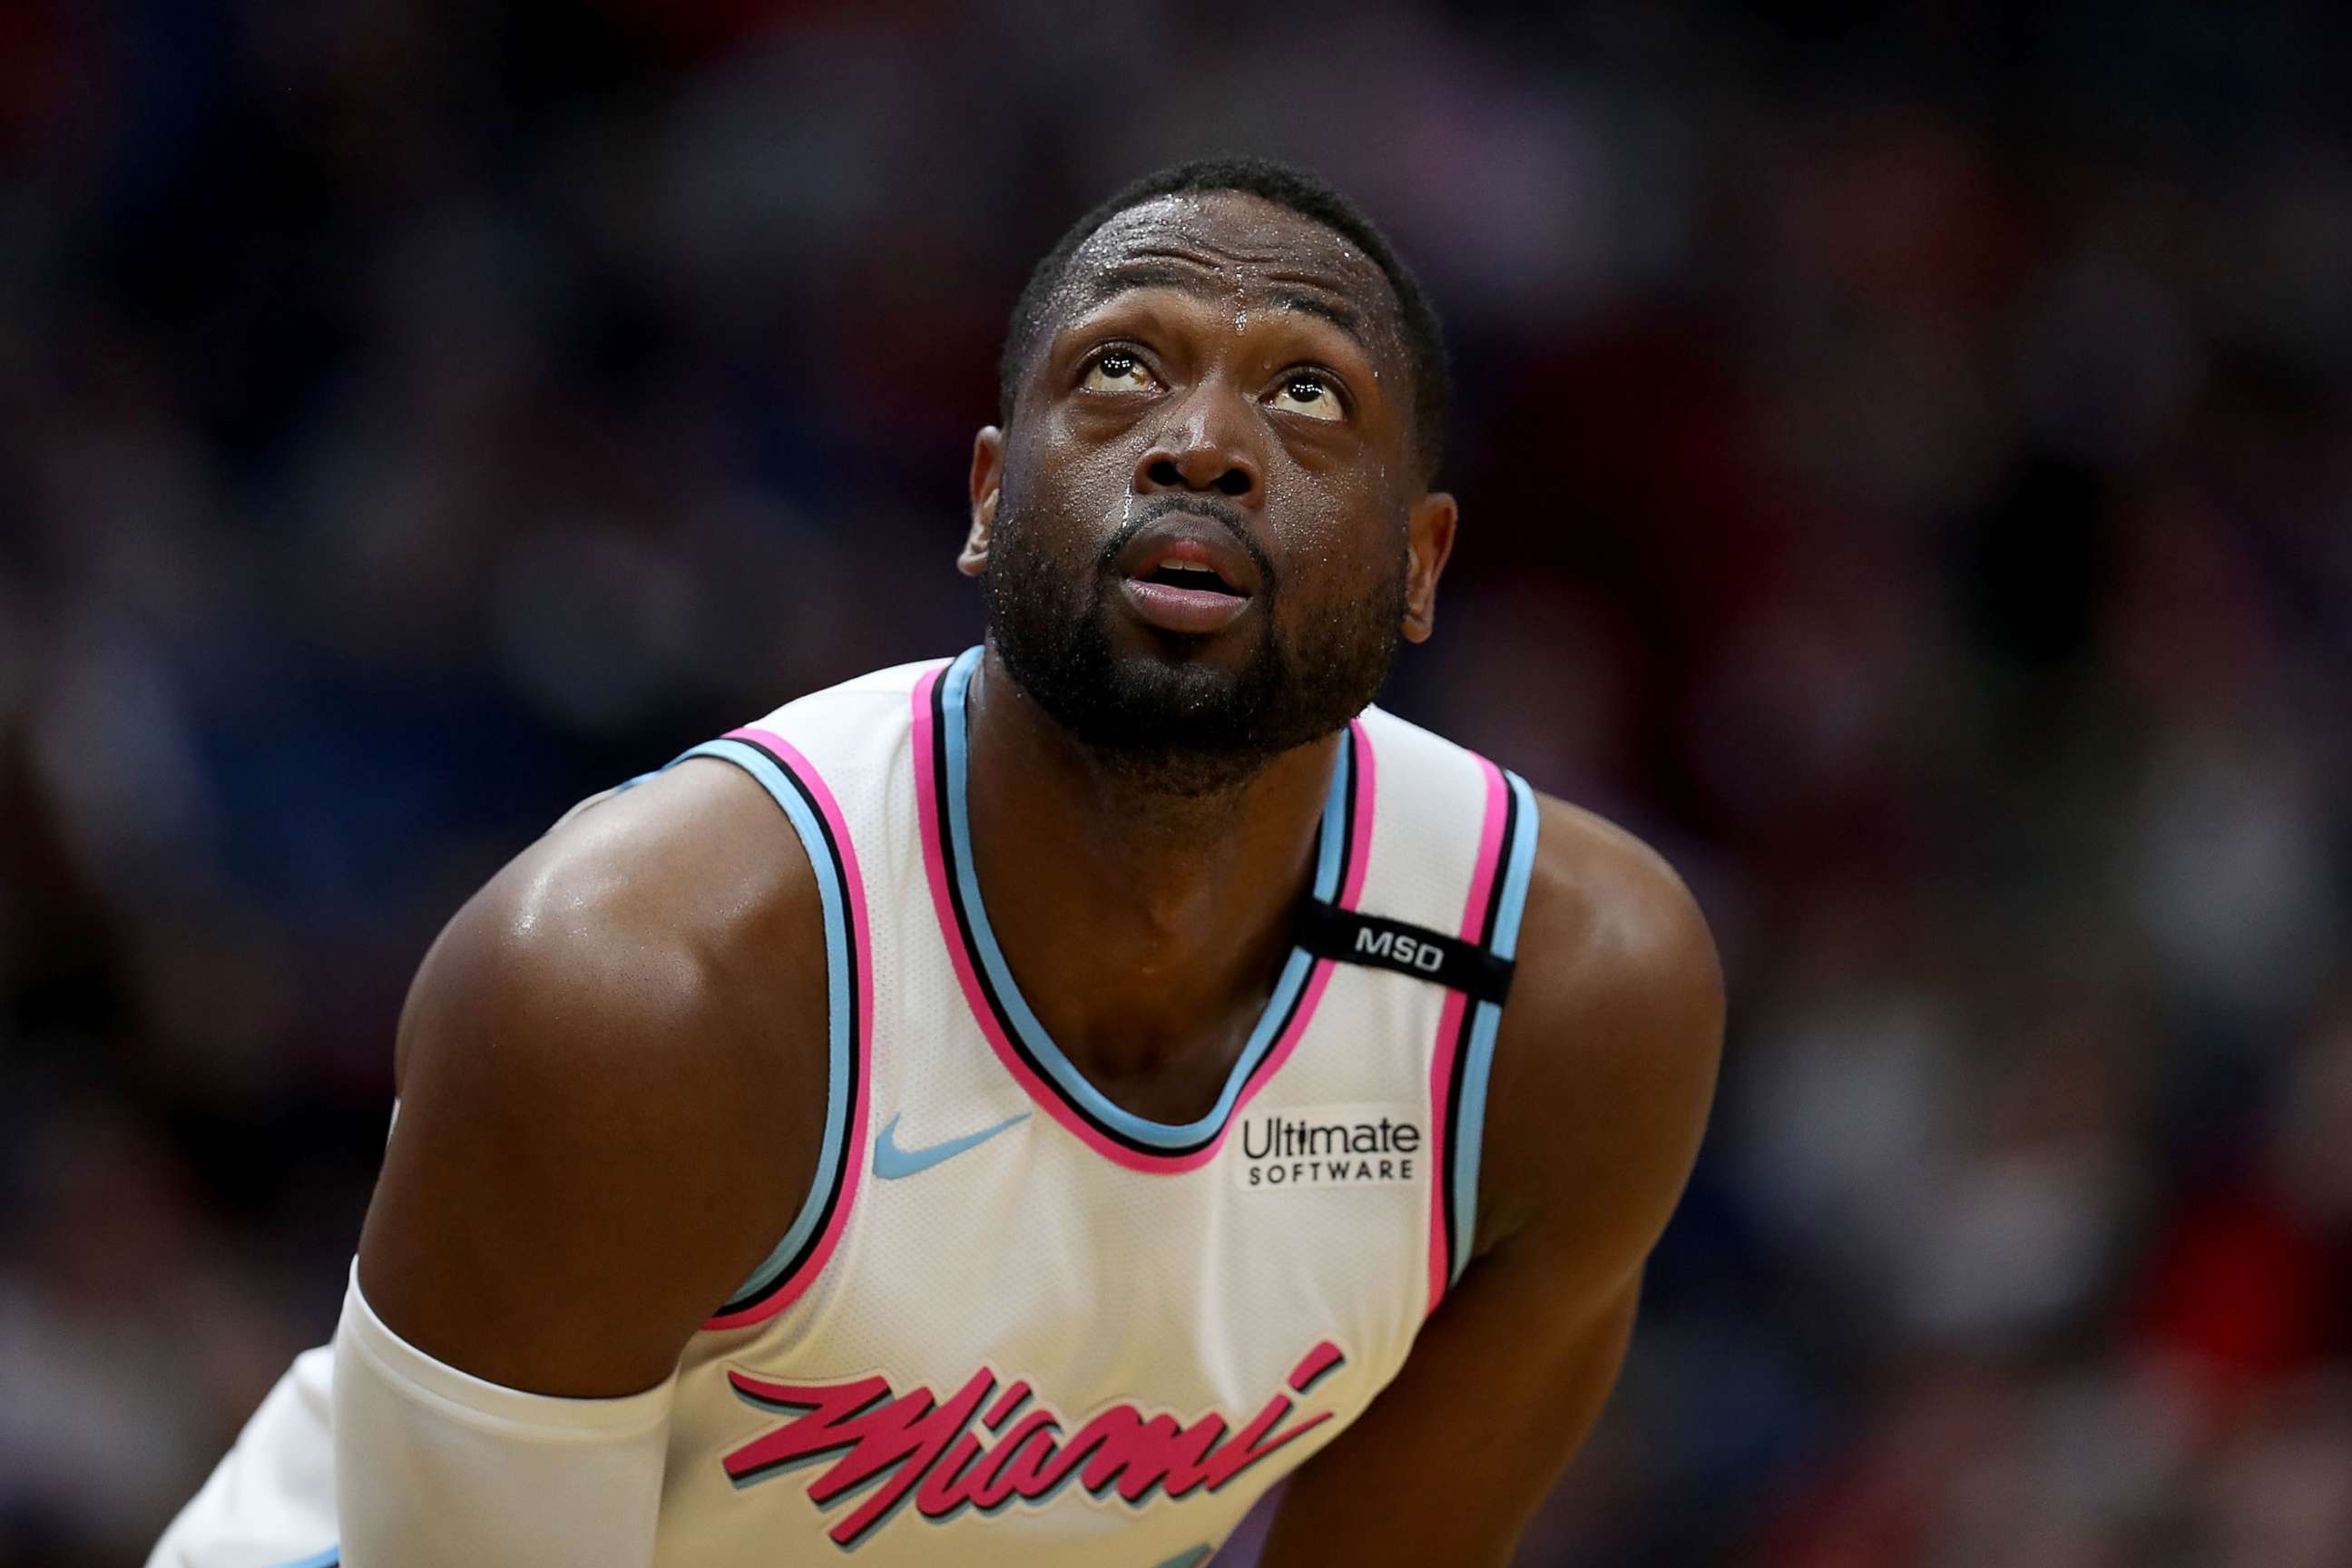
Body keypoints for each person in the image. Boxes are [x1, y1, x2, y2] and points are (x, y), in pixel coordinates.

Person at [150, 155, 1723, 1568]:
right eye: (1121, 368)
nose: (1204, 444)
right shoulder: (635, 994)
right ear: (986, 501)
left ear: (1420, 566)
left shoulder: (1569, 1001)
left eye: (1308, 396)